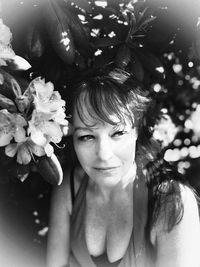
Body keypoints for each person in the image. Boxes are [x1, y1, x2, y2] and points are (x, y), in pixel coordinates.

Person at [46, 69, 200, 267]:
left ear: (137, 130)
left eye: (118, 133)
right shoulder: (69, 186)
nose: (103, 154)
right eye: (86, 136)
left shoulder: (171, 203)